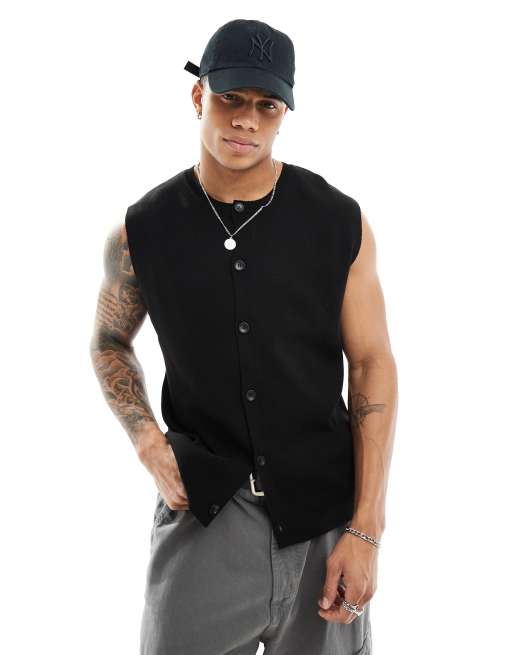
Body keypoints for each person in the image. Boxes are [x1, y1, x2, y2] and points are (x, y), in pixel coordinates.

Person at [90, 18, 397, 655]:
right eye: (230, 97)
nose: (246, 120)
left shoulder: (338, 221)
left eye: (267, 106)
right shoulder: (142, 230)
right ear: (198, 95)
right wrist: (146, 441)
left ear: (284, 112)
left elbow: (371, 363)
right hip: (204, 515)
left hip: (322, 525)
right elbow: (109, 341)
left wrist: (366, 530)